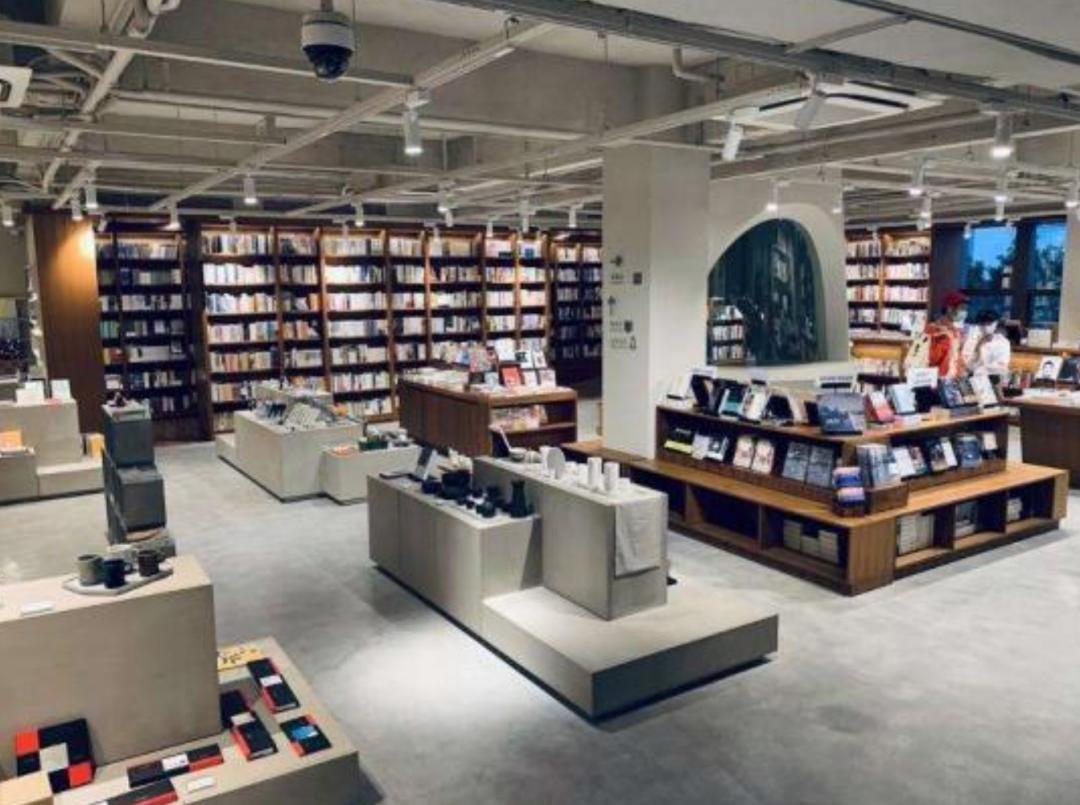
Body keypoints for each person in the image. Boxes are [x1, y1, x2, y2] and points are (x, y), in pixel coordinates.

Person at [913, 290, 969, 378]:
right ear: (950, 309)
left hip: (951, 380)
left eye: (966, 309)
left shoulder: (955, 331)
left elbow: (956, 357)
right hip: (935, 380)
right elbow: (930, 359)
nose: (965, 312)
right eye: (962, 309)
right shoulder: (933, 330)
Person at [963, 310, 1012, 380]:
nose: (986, 327)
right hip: (973, 379)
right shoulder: (972, 340)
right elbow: (967, 363)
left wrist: (979, 370)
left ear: (996, 323)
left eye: (989, 323)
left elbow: (1000, 366)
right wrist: (978, 347)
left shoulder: (1003, 342)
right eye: (982, 324)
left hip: (994, 379)